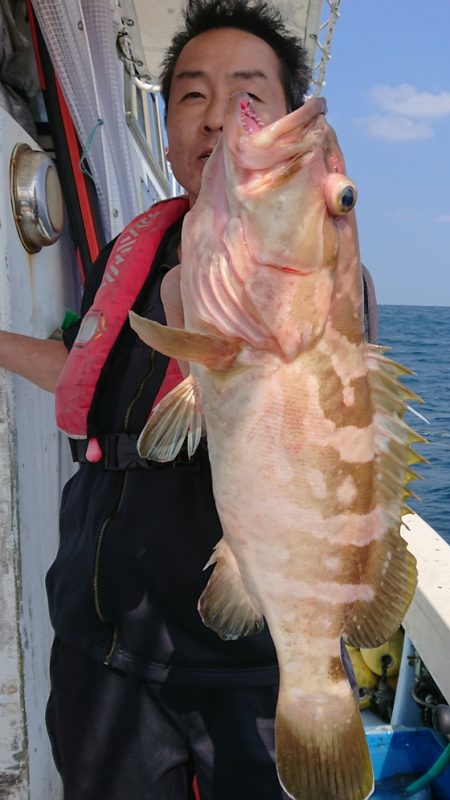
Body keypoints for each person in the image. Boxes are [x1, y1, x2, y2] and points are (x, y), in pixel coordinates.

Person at [0, 2, 373, 798]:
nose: (219, 115)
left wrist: (202, 313)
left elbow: (305, 390)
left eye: (250, 94)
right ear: (167, 136)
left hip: (248, 665)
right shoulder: (127, 254)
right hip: (106, 644)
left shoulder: (322, 291)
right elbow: (88, 374)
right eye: (192, 95)